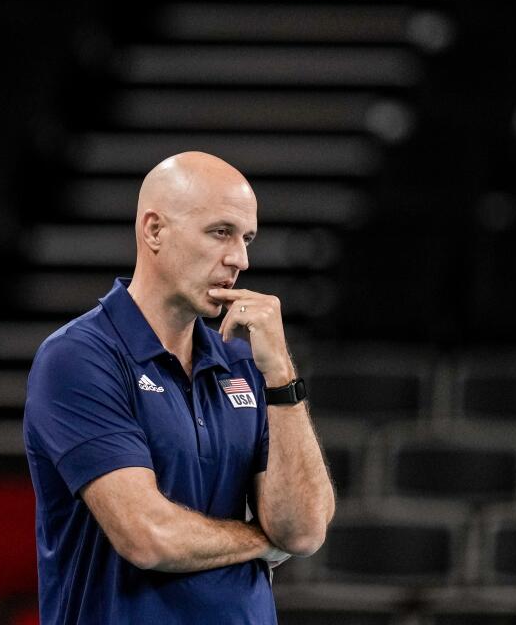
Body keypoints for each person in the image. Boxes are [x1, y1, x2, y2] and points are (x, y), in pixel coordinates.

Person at [24, 151, 336, 624]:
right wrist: (260, 541)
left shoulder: (242, 361)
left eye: (246, 238)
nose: (241, 259)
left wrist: (281, 379)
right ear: (154, 230)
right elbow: (148, 536)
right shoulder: (79, 357)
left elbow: (304, 530)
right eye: (220, 232)